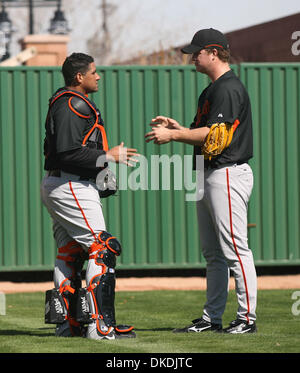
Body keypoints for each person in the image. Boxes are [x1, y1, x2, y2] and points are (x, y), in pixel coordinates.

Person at [145, 28, 257, 334]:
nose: (193, 56)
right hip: (208, 172)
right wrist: (179, 127)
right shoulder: (211, 90)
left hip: (227, 172)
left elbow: (214, 135)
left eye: (198, 52)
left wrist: (173, 135)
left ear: (214, 52)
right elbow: (205, 136)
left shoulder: (228, 88)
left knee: (235, 249)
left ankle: (247, 319)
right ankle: (212, 318)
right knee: (213, 254)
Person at [41, 53, 138, 340]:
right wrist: (108, 155)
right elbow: (67, 151)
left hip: (64, 183)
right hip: (71, 185)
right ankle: (100, 327)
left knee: (69, 253)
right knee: (103, 248)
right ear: (79, 77)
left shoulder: (69, 102)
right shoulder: (71, 103)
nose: (98, 76)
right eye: (93, 72)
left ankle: (68, 325)